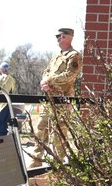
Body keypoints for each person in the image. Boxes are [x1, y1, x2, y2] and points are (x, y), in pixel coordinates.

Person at [31, 28, 82, 167]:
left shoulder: (74, 55)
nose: (58, 38)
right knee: (41, 127)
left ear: (68, 37)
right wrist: (43, 81)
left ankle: (58, 163)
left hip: (62, 100)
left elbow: (70, 75)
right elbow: (46, 71)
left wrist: (49, 81)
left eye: (60, 36)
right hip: (49, 98)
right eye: (57, 36)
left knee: (59, 130)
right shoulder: (56, 56)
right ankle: (36, 160)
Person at [0, 61, 17, 138]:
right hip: (7, 104)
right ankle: (3, 145)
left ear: (2, 70)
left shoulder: (2, 77)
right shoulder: (12, 79)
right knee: (4, 127)